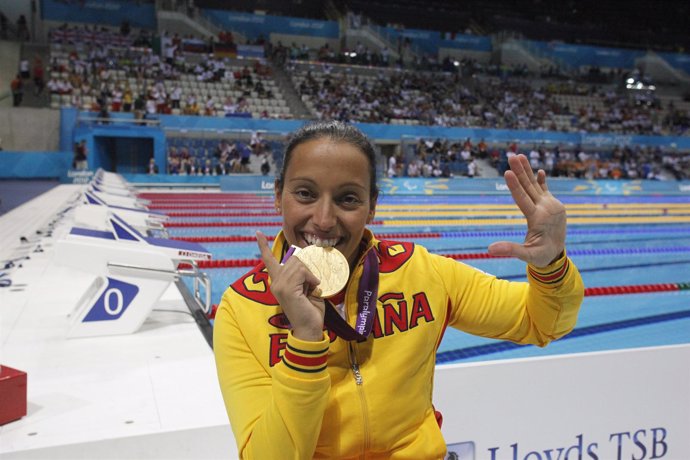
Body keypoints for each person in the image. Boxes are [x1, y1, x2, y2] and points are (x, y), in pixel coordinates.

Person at [213, 121, 584, 459]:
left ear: (372, 206)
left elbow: (542, 323)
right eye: (305, 194)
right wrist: (306, 340)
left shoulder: (420, 273)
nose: (324, 220)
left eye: (348, 199)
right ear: (278, 196)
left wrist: (551, 266)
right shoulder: (242, 307)